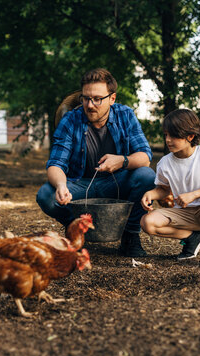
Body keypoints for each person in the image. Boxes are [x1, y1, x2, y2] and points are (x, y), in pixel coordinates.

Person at [36, 68, 156, 257]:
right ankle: (75, 230)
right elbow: (55, 164)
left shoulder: (125, 115)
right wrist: (61, 185)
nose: (90, 105)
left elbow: (145, 157)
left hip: (116, 183)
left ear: (112, 98)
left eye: (97, 99)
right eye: (86, 98)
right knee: (46, 195)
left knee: (147, 176)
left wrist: (122, 161)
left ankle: (130, 235)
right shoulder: (71, 120)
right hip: (80, 185)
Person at [140, 108, 200, 269]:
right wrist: (151, 194)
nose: (168, 140)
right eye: (166, 135)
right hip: (182, 213)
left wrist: (194, 195)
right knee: (147, 222)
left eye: (173, 135)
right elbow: (164, 189)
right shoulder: (165, 163)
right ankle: (192, 237)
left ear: (190, 136)